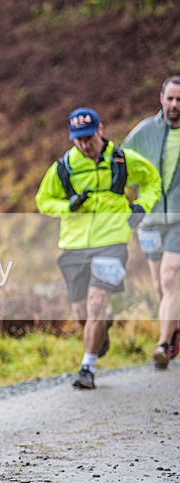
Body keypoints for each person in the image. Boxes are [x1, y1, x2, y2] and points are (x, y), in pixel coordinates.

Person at [36, 107, 161, 389]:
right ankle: (100, 328)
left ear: (100, 130)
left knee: (95, 301)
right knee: (82, 312)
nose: (84, 144)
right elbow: (43, 202)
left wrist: (142, 206)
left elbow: (152, 181)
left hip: (112, 242)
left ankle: (87, 369)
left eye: (89, 137)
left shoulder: (122, 160)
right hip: (74, 245)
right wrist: (69, 205)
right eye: (78, 139)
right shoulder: (63, 167)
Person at [122, 75, 180, 370]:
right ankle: (174, 330)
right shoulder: (144, 132)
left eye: (179, 100)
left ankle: (162, 344)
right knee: (159, 284)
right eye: (170, 98)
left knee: (170, 277)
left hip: (179, 220)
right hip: (150, 220)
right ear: (161, 98)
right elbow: (120, 166)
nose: (174, 105)